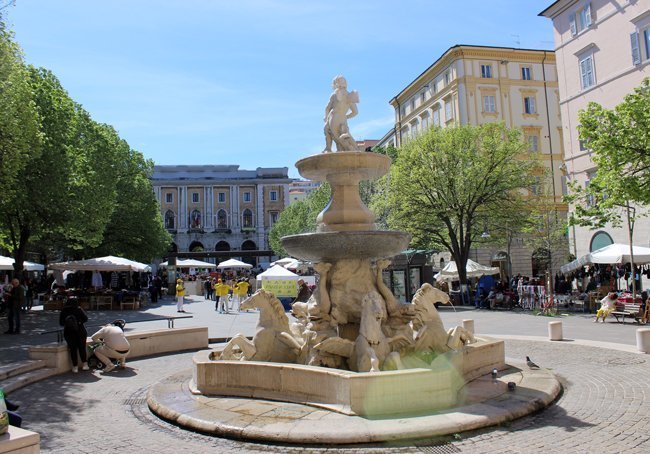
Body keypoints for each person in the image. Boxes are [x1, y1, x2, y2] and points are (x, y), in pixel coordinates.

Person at [322, 75, 360, 152]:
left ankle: (328, 148)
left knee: (328, 131)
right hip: (343, 119)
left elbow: (327, 108)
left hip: (333, 117)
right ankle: (352, 149)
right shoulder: (350, 95)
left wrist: (326, 118)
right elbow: (355, 112)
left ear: (336, 83)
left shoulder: (334, 94)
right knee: (343, 136)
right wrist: (346, 117)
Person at [59, 299, 89, 373]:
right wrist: (79, 322)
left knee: (73, 349)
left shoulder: (64, 311)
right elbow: (85, 319)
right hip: (80, 331)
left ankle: (75, 366)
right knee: (82, 347)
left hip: (69, 332)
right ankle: (85, 364)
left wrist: (68, 323)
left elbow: (61, 323)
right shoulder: (78, 309)